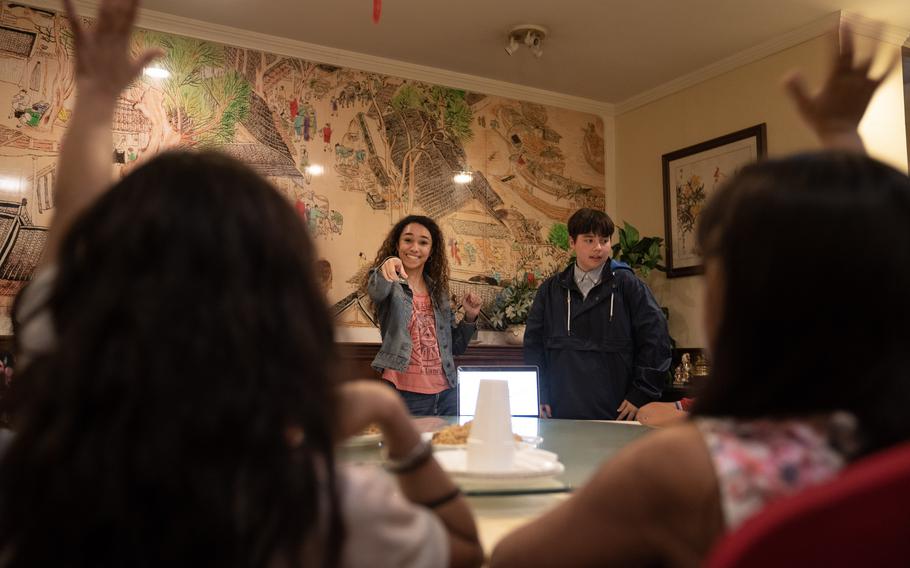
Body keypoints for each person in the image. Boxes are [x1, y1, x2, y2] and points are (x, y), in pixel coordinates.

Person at [0, 2, 484, 567]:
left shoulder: (38, 455)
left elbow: (71, 222)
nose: (415, 248)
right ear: (291, 319)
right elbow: (465, 550)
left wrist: (95, 100)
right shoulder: (328, 507)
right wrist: (395, 425)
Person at [491, 25, 908, 567]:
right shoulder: (883, 453)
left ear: (735, 304)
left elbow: (511, 558)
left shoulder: (681, 471)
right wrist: (844, 147)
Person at [523, 208, 671, 420]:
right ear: (572, 242)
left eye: (604, 240)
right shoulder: (550, 290)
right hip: (560, 410)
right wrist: (539, 394)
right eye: (589, 240)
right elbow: (533, 347)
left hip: (616, 412)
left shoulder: (628, 285)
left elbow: (656, 340)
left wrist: (641, 393)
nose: (598, 248)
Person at [364, 215, 482, 416]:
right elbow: (376, 291)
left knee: (447, 448)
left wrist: (470, 317)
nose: (415, 248)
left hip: (448, 392)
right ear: (397, 244)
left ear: (431, 250)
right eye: (408, 240)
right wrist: (389, 262)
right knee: (411, 449)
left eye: (423, 242)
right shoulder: (389, 282)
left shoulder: (439, 292)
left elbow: (456, 346)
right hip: (404, 393)